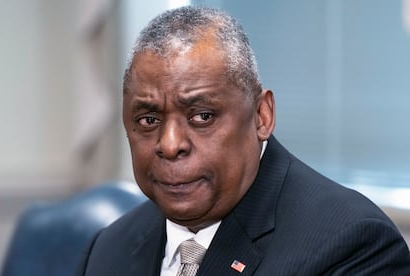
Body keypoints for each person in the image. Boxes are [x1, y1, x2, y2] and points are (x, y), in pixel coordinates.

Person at [77, 6, 410, 275]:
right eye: (148, 120)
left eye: (202, 116)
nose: (170, 143)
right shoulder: (108, 249)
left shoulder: (351, 244)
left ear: (261, 116)